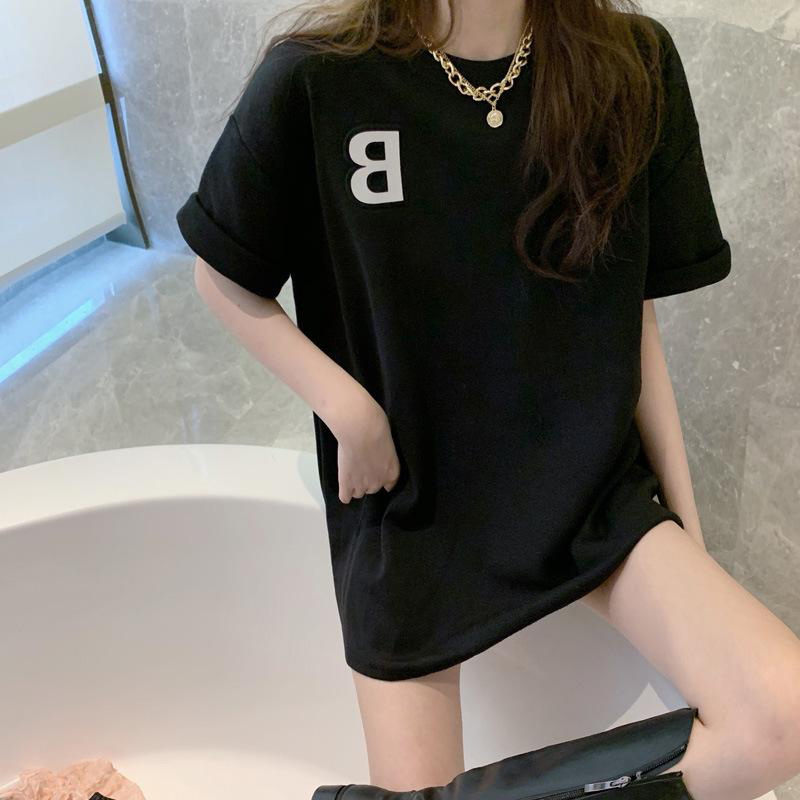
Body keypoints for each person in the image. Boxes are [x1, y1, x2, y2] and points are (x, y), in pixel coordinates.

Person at [175, 2, 800, 799]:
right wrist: (350, 411)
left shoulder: (630, 65)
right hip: (412, 509)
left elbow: (631, 318)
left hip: (590, 493)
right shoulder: (320, 77)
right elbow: (222, 274)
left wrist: (687, 531)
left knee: (783, 711)